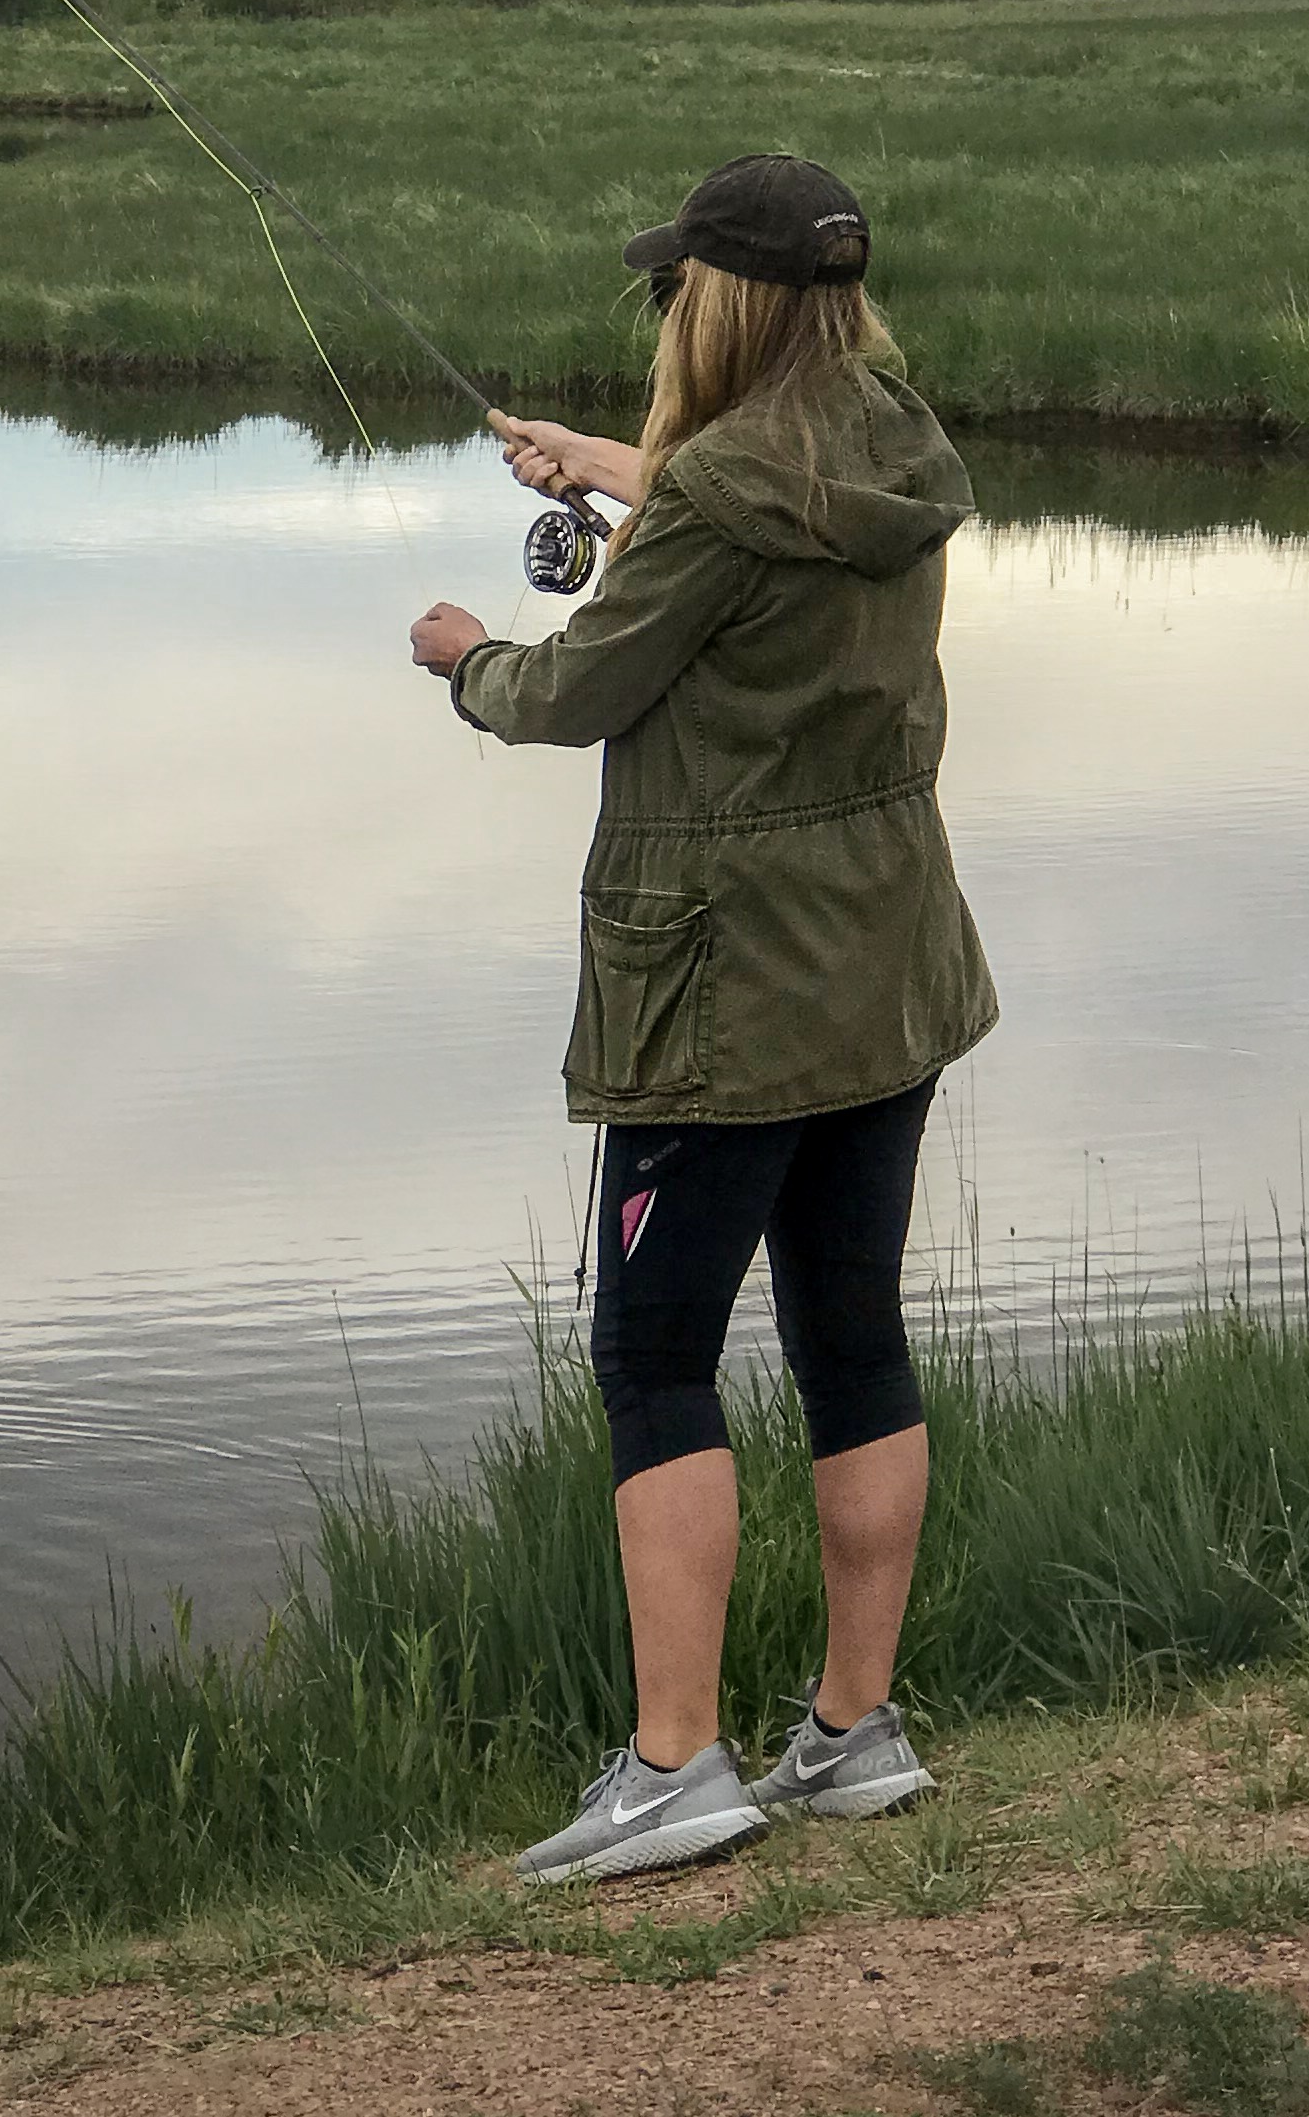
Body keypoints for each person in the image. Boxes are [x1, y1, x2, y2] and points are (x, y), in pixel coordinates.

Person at [409, 154, 996, 1887]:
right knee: (853, 1339)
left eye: (677, 287)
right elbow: (741, 504)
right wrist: (603, 467)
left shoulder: (718, 487)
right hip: (883, 974)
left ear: (720, 300)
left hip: (719, 999)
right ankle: (853, 1731)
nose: (665, 307)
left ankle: (674, 1771)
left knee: (654, 1359)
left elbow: (576, 688)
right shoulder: (893, 438)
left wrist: (462, 655)